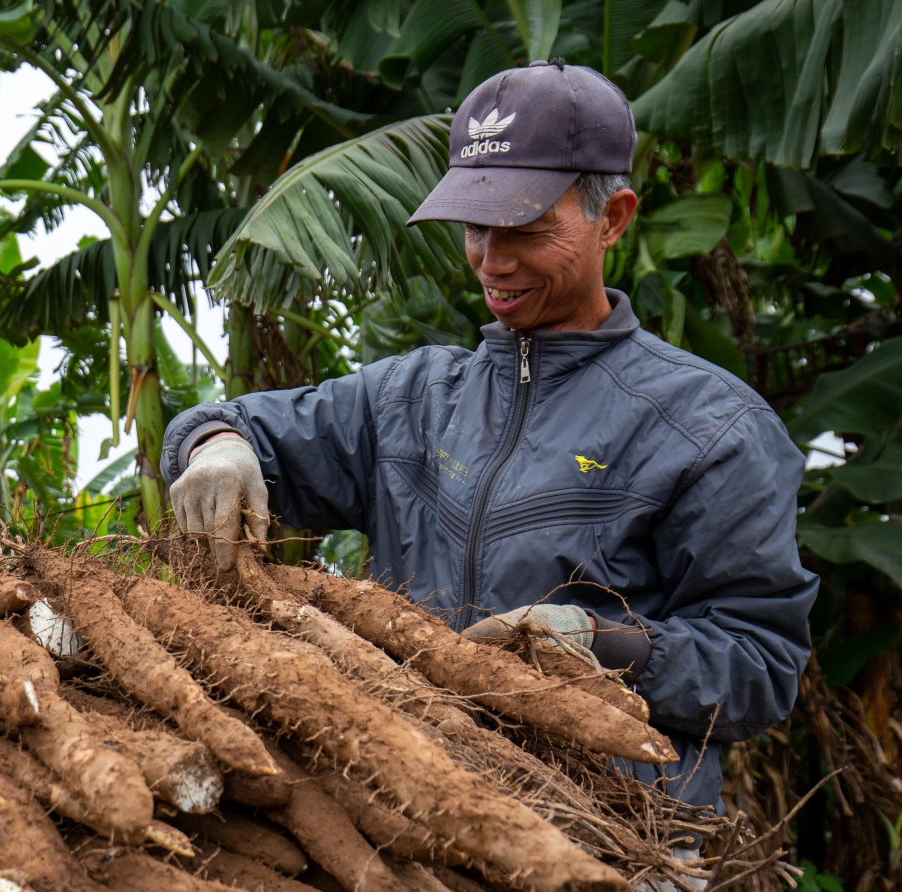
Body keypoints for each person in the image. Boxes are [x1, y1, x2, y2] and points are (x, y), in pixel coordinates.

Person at [162, 60, 816, 810]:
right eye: (476, 228)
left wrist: (600, 644)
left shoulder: (709, 427)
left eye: (528, 231)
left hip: (616, 837)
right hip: (414, 814)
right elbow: (251, 431)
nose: (493, 262)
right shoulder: (410, 397)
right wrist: (216, 445)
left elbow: (759, 667)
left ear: (614, 217)